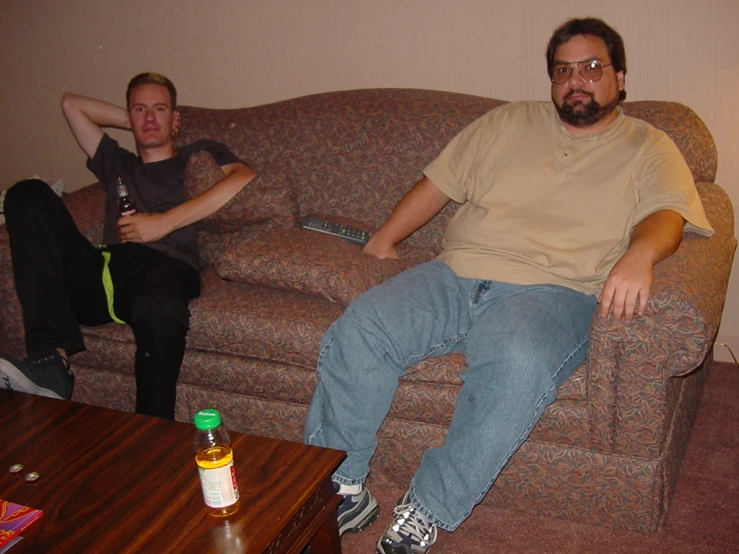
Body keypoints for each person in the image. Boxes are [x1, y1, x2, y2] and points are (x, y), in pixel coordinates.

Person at [304, 17, 713, 554]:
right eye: (563, 70)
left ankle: (428, 506)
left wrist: (640, 254)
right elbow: (438, 183)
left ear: (621, 78)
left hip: (553, 291)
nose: (577, 81)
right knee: (363, 325)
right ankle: (343, 485)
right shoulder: (507, 122)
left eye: (592, 68)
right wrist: (383, 239)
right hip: (456, 273)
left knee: (516, 364)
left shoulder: (648, 144)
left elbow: (668, 213)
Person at [0, 72, 256, 419]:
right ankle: (49, 364)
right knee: (26, 194)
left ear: (175, 117)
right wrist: (136, 119)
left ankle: (152, 433)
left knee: (162, 307)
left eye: (160, 109)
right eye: (140, 109)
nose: (150, 118)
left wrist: (165, 222)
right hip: (100, 271)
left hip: (163, 269)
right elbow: (71, 104)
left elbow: (244, 176)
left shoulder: (196, 154)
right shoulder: (116, 162)